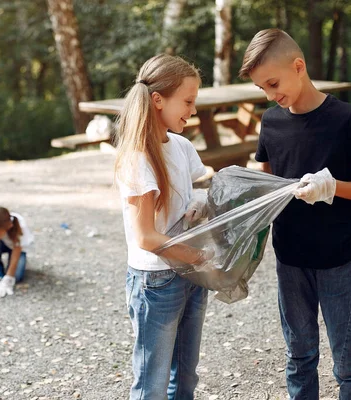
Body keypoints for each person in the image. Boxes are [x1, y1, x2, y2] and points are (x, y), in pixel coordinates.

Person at [239, 28, 351, 400]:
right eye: (262, 90)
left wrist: (330, 187)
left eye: (273, 83)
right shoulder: (271, 122)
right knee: (299, 355)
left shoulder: (346, 118)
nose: (270, 96)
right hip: (290, 259)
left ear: (298, 66)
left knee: (348, 364)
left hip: (338, 259)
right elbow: (267, 186)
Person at [114, 53, 213, 400]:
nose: (192, 109)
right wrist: (196, 255)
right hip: (156, 283)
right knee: (151, 385)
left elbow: (201, 187)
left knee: (185, 378)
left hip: (189, 275)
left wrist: (199, 202)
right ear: (158, 100)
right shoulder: (137, 157)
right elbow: (145, 237)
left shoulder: (182, 146)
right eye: (187, 101)